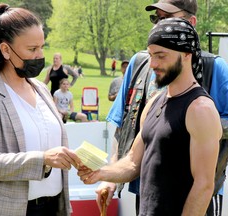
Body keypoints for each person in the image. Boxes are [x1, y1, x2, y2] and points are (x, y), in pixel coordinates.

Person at [78, 18, 222, 215]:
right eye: (151, 55)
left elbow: (204, 186)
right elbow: (132, 162)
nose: (153, 64)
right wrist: (101, 173)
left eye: (161, 56)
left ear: (187, 54)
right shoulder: (155, 101)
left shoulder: (200, 109)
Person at [0, 4, 81, 216]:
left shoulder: (41, 89)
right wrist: (42, 159)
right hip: (7, 209)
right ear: (6, 50)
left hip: (52, 206)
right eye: (32, 49)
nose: (40, 55)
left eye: (42, 47)